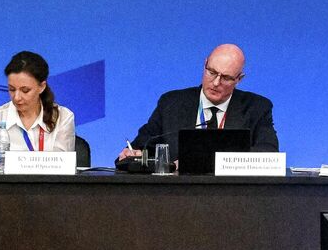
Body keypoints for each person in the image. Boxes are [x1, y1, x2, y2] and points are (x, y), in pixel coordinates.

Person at [118, 45, 278, 167]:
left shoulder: (257, 108)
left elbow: (268, 154)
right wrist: (133, 155)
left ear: (239, 79)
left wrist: (200, 162)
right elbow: (142, 146)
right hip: (176, 195)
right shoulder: (171, 103)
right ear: (205, 64)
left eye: (226, 78)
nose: (216, 83)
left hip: (233, 196)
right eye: (212, 72)